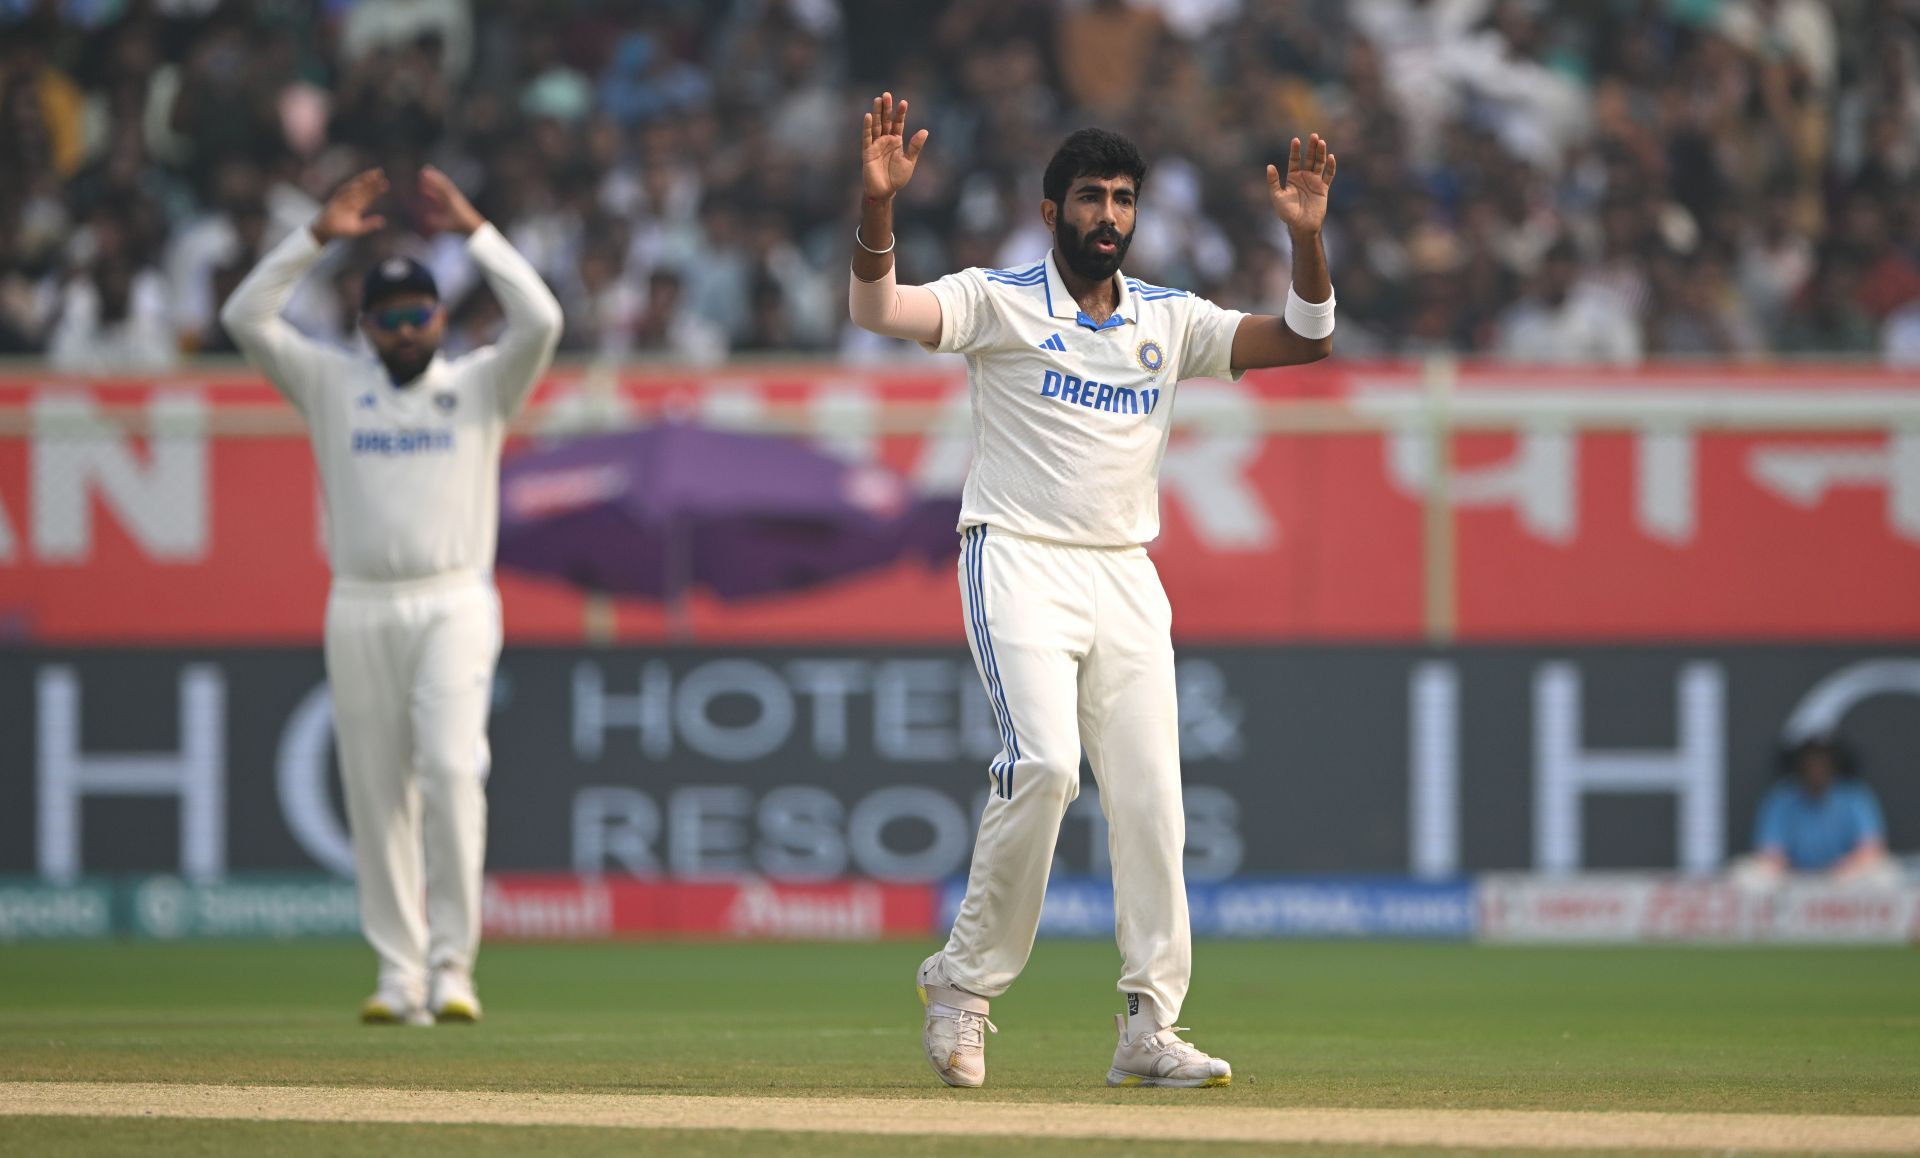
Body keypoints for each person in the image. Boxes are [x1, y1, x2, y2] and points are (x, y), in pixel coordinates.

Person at [847, 94, 1337, 1089]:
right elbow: (878, 309)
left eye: (1121, 199)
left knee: (1155, 802)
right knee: (1045, 767)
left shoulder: (1168, 319)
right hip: (1017, 555)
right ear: (1050, 211)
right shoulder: (1001, 301)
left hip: (1125, 572)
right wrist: (878, 209)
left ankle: (1149, 1027)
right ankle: (963, 987)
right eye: (1087, 199)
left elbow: (1306, 337)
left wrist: (1309, 242)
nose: (1105, 215)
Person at [220, 167, 562, 1025]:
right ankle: (397, 974)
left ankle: (454, 968)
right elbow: (242, 318)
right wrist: (317, 237)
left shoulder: (482, 384)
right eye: (391, 318)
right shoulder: (332, 383)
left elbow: (544, 318)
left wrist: (476, 230)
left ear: (441, 318)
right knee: (375, 790)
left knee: (450, 771)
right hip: (361, 601)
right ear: (366, 325)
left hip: (454, 600)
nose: (408, 329)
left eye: (422, 315)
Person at [1732, 735, 1901, 888]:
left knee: (1885, 874)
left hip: (1844, 880)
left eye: (1822, 763)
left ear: (1834, 766)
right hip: (1792, 880)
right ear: (1800, 766)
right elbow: (1771, 852)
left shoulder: (1854, 796)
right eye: (1810, 763)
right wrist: (1787, 873)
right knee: (1745, 875)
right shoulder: (1780, 798)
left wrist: (1841, 874)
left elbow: (1870, 847)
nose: (1816, 769)